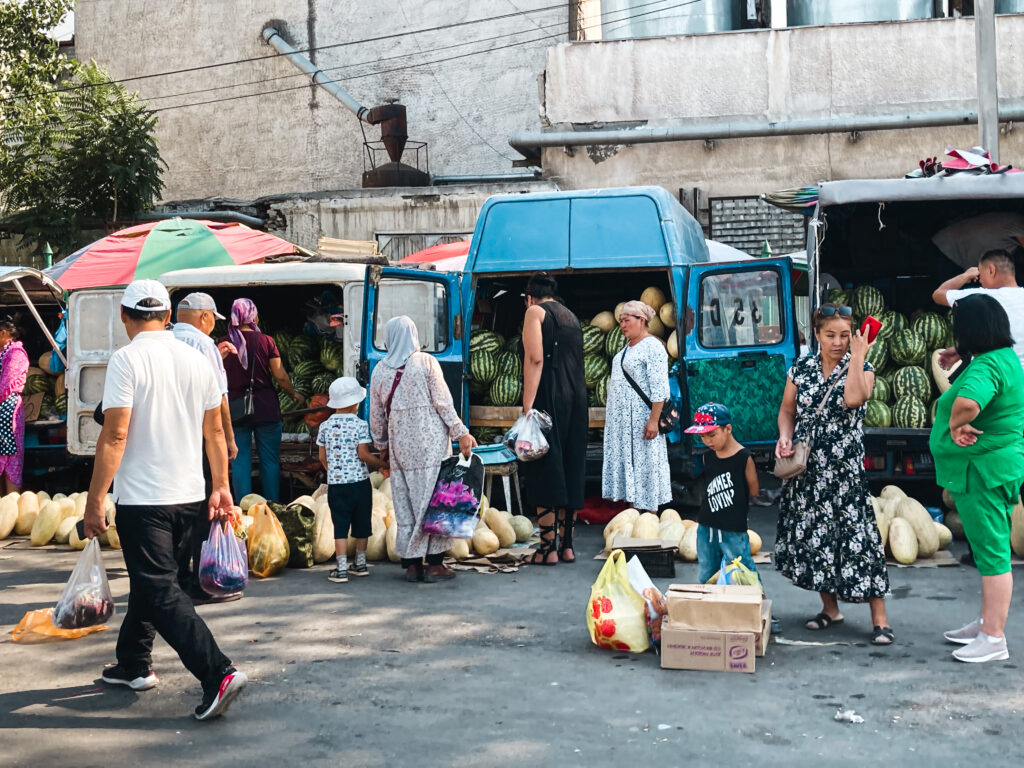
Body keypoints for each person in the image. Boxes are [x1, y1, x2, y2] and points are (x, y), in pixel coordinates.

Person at [83, 280, 245, 721]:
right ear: (168, 316)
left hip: (144, 499)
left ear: (124, 315)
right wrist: (221, 486)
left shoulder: (126, 359)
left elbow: (115, 433)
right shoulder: (197, 359)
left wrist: (95, 499)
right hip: (190, 496)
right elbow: (214, 432)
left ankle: (218, 672)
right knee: (152, 583)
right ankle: (133, 663)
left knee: (159, 588)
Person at [774, 303, 893, 645]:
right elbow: (786, 410)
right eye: (830, 335)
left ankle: (880, 619)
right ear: (816, 335)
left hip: (844, 473)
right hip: (808, 472)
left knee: (860, 541)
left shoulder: (863, 367)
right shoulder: (802, 369)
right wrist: (785, 436)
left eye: (844, 335)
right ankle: (830, 609)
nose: (838, 342)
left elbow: (855, 398)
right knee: (817, 541)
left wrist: (857, 355)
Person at [929, 295, 1024, 663]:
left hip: (983, 472)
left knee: (993, 554)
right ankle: (986, 622)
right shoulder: (1001, 358)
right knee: (989, 553)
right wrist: (960, 353)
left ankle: (994, 638)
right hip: (995, 467)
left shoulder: (986, 367)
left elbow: (969, 402)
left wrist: (954, 423)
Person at [369, 316, 476, 583]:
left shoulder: (379, 370)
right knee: (434, 501)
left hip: (400, 448)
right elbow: (443, 403)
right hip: (430, 446)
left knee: (405, 502)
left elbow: (376, 416)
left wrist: (382, 445)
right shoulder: (426, 362)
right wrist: (461, 432)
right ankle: (435, 564)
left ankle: (412, 564)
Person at [172, 293, 238, 603]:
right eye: (214, 320)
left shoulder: (166, 340)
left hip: (173, 439)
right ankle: (200, 581)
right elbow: (219, 397)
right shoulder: (204, 345)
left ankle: (177, 579)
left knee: (179, 509)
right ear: (204, 318)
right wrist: (229, 437)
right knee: (204, 510)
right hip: (201, 438)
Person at [520, 274, 588, 565]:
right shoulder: (570, 316)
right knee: (571, 465)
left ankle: (547, 548)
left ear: (529, 296)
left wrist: (527, 405)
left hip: (549, 396)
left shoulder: (534, 312)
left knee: (545, 465)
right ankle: (567, 545)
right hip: (577, 397)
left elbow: (535, 359)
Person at [219, 298, 305, 503]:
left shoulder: (222, 343)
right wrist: (294, 394)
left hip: (236, 407)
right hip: (266, 407)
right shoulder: (266, 341)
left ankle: (243, 508)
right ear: (253, 316)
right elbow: (280, 375)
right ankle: (272, 506)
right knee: (269, 461)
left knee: (239, 460)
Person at [602, 300, 672, 515]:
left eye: (627, 320)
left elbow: (659, 388)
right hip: (624, 425)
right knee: (632, 472)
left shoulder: (652, 346)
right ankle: (633, 517)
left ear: (642, 321)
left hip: (642, 421)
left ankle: (649, 522)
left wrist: (653, 421)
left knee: (646, 470)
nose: (622, 325)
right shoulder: (627, 348)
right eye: (621, 321)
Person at [317, 377, 384, 584]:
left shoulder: (325, 426)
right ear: (355, 403)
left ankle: (341, 569)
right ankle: (361, 564)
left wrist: (333, 472)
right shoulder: (360, 425)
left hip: (338, 486)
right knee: (362, 522)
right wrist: (381, 464)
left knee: (340, 525)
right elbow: (363, 454)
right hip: (360, 484)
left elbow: (322, 457)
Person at [684, 403, 760, 585]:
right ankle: (711, 609)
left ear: (728, 429)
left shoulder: (744, 457)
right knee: (707, 572)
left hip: (733, 528)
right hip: (706, 527)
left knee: (742, 569)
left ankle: (757, 606)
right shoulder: (707, 457)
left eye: (712, 435)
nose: (708, 441)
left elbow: (754, 489)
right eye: (702, 436)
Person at [932, 248, 1024, 372]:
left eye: (980, 273)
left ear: (991, 270)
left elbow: (938, 295)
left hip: (992, 379)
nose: (979, 280)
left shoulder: (981, 297)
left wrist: (966, 275)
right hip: (1017, 383)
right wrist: (962, 351)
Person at [0, 319, 29, 495]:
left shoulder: (16, 353)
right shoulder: (3, 352)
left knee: (10, 459)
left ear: (3, 334)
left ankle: (13, 504)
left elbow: (6, 384)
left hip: (8, 412)